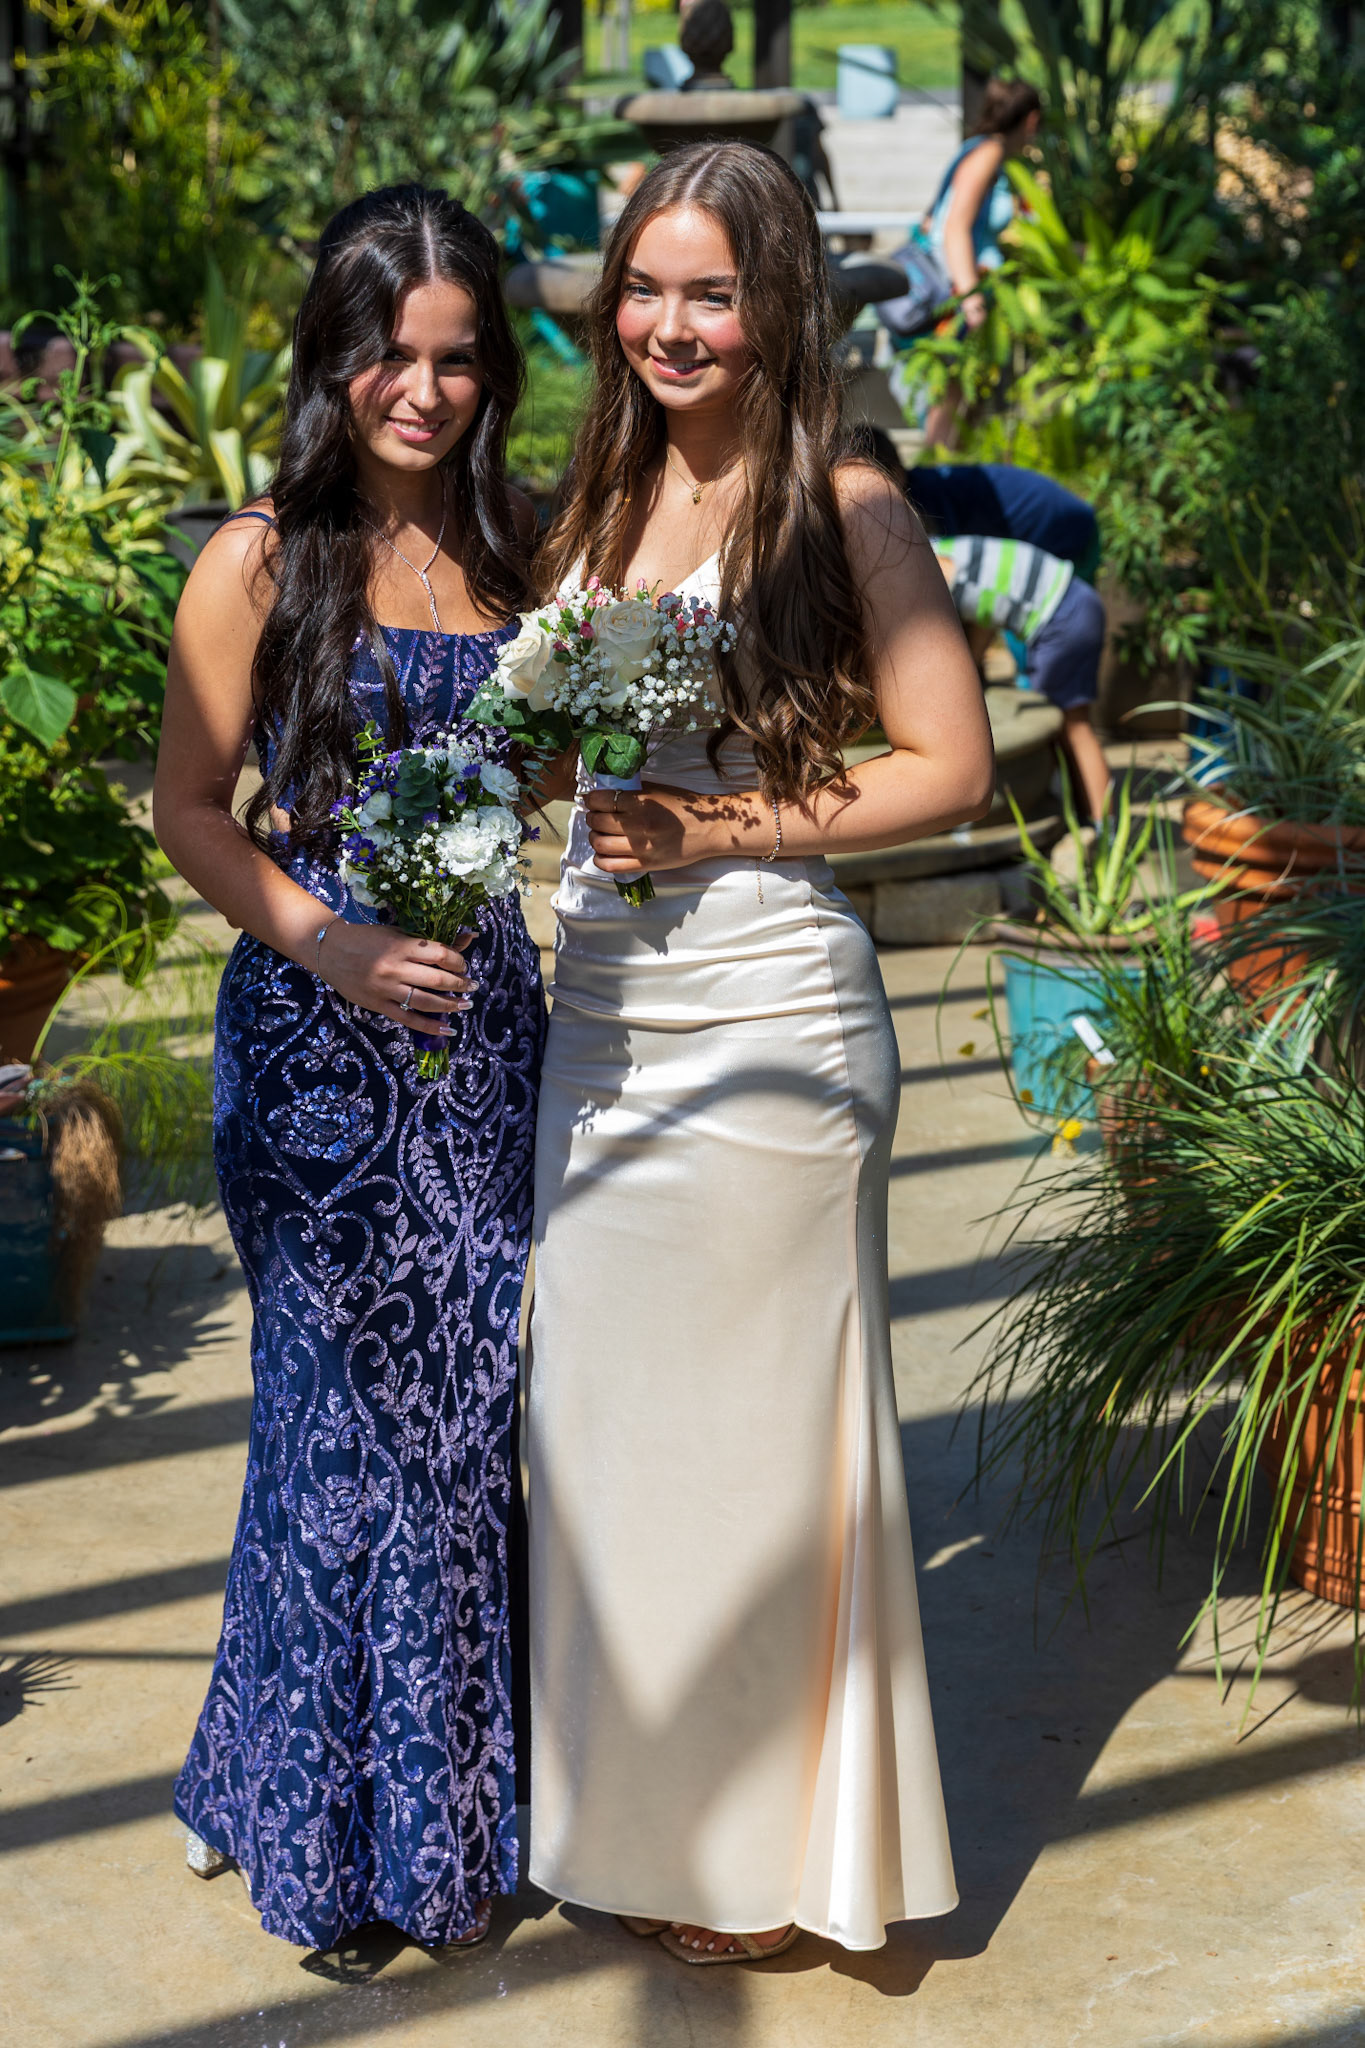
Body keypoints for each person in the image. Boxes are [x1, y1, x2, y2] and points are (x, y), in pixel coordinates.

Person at [527, 140, 994, 1964]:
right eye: (644, 288)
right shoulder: (602, 485)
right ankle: (635, 1820)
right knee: (613, 1436)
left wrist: (712, 828)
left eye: (709, 294)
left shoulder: (848, 501)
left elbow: (949, 765)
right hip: (600, 1019)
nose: (668, 325)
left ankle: (758, 1865)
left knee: (750, 1459)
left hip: (771, 1020)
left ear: (778, 303)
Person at [153, 186, 546, 1953]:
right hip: (315, 1044)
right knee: (333, 1424)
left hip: (483, 1040)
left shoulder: (522, 550)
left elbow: (565, 767)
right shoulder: (257, 556)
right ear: (336, 355)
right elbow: (188, 809)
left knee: (460, 1430)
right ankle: (314, 1827)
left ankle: (428, 1819)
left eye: (456, 358)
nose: (424, 389)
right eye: (393, 352)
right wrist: (327, 942)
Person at [932, 531, 1111, 820]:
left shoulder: (927, 571)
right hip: (1075, 602)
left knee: (1074, 728)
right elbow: (985, 615)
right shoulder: (935, 551)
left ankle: (1106, 829)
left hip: (1063, 616)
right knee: (1064, 727)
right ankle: (1080, 813)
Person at [918, 78, 1043, 449]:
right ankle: (935, 472)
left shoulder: (979, 149)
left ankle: (952, 467)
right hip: (958, 292)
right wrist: (970, 297)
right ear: (1031, 120)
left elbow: (932, 220)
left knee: (965, 396)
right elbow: (954, 227)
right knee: (951, 395)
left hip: (967, 285)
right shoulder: (988, 152)